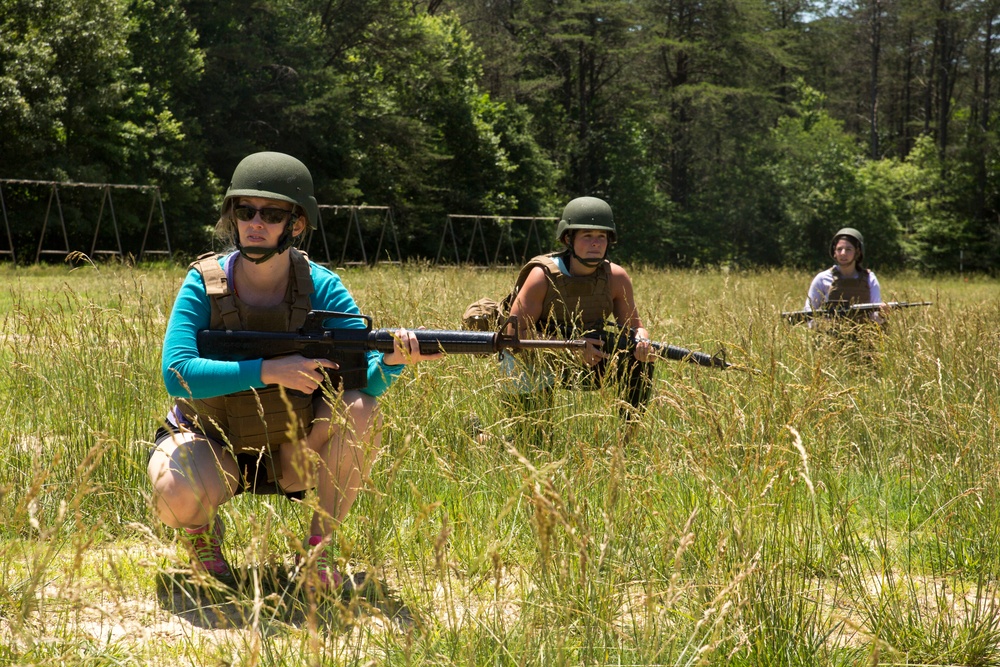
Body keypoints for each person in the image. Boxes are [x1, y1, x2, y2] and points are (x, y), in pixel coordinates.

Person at [147, 151, 439, 592]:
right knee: (174, 496)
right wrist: (269, 370)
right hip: (211, 439)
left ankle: (319, 551)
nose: (255, 223)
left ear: (296, 225)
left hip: (291, 450)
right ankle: (201, 532)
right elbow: (177, 373)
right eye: (245, 211)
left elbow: (360, 382)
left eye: (272, 213)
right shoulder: (203, 283)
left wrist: (394, 364)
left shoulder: (323, 287)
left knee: (361, 409)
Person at [497, 196, 654, 443]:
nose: (595, 243)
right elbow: (513, 335)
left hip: (588, 358)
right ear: (569, 239)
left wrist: (642, 339)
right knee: (533, 442)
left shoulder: (616, 277)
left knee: (637, 358)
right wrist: (568, 348)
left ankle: (628, 440)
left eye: (601, 237)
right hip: (533, 359)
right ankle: (486, 438)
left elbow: (634, 327)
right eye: (587, 236)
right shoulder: (543, 276)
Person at [805, 227, 884, 325]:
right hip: (830, 337)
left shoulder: (870, 279)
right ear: (834, 252)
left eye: (848, 249)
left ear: (857, 252)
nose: (843, 253)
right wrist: (822, 325)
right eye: (839, 249)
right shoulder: (822, 279)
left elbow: (876, 317)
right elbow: (808, 313)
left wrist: (882, 314)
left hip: (865, 337)